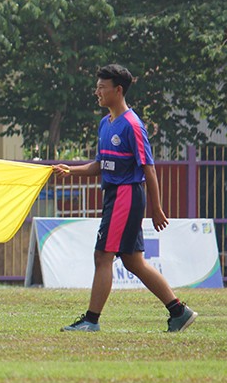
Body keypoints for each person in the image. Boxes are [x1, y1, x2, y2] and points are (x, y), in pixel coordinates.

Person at [52, 64, 197, 333]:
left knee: (102, 255)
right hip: (114, 196)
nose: (97, 92)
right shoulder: (105, 124)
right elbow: (99, 165)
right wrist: (70, 169)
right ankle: (179, 311)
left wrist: (157, 208)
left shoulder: (132, 125)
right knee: (132, 261)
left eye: (101, 87)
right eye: (97, 87)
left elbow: (148, 168)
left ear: (118, 91)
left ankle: (91, 321)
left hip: (126, 196)